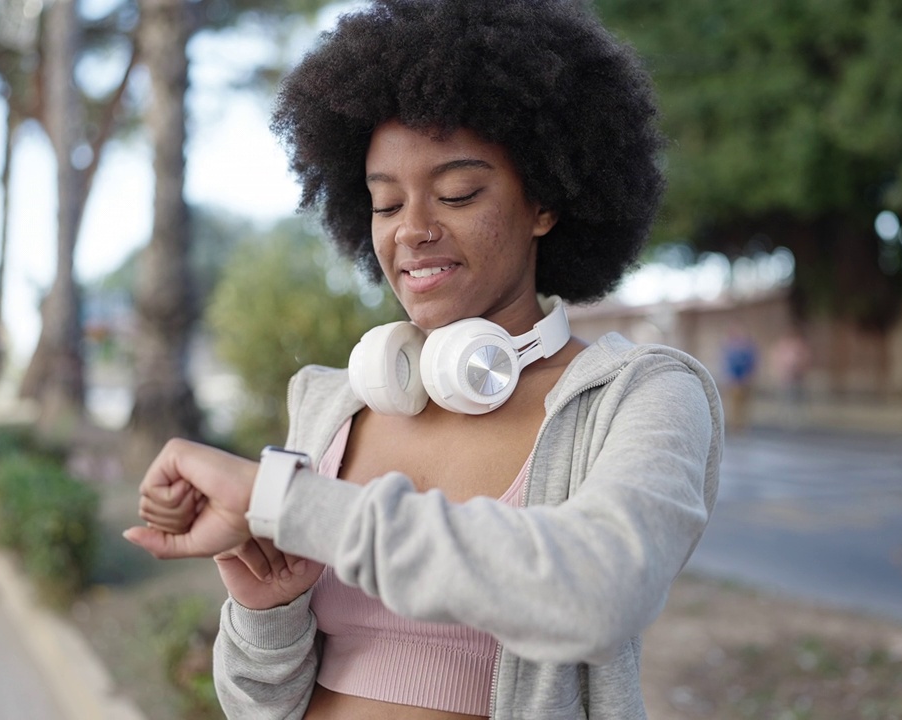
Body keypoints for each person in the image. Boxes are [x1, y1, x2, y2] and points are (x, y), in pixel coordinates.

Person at [122, 2, 725, 718]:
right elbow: (258, 704)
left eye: (457, 193)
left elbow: (599, 594)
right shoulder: (330, 403)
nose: (412, 231)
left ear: (545, 203)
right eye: (384, 204)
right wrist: (270, 608)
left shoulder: (643, 397)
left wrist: (290, 504)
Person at [720, 328, 759, 433]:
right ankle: (734, 426)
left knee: (744, 405)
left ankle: (743, 426)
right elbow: (726, 365)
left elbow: (752, 364)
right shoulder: (730, 349)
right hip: (733, 381)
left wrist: (749, 377)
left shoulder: (747, 349)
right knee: (733, 405)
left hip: (744, 380)